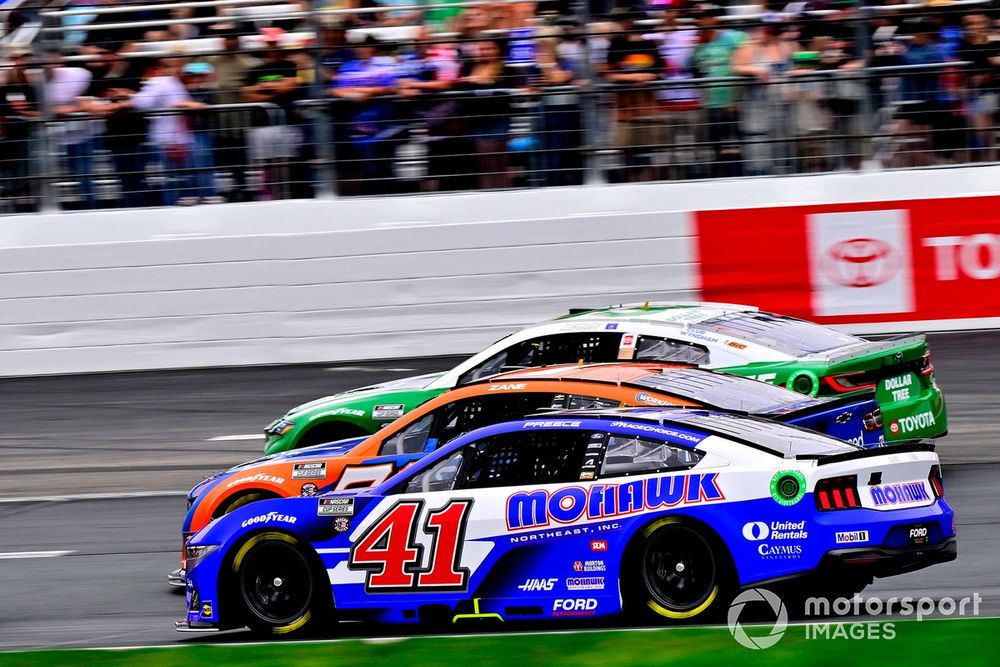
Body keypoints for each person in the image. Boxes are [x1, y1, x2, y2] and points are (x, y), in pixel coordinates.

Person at [131, 58, 209, 205]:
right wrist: (176, 105)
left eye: (180, 65)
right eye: (173, 65)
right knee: (172, 181)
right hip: (165, 140)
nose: (178, 68)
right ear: (163, 67)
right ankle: (171, 210)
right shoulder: (159, 82)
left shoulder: (178, 83)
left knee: (184, 180)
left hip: (182, 140)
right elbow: (141, 103)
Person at [330, 36, 401, 195]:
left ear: (373, 47)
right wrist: (351, 95)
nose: (361, 49)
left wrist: (368, 91)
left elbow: (392, 87)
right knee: (363, 169)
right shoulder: (348, 66)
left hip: (383, 128)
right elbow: (335, 89)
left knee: (382, 169)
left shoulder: (385, 63)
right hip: (356, 129)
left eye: (365, 46)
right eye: (358, 46)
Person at [242, 27, 307, 199]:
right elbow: (248, 95)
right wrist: (276, 87)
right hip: (261, 125)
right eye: (269, 43)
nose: (272, 46)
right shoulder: (254, 69)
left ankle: (286, 196)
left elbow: (291, 85)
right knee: (264, 165)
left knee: (286, 164)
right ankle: (268, 198)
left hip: (286, 123)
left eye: (274, 42)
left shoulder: (290, 65)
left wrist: (263, 88)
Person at [602, 10, 666, 183]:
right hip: (624, 111)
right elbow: (608, 74)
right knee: (627, 153)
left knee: (647, 153)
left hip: (647, 108)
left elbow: (660, 71)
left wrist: (649, 77)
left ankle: (648, 185)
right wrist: (633, 78)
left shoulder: (650, 45)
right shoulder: (616, 45)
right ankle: (630, 185)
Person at [732, 14, 799, 175]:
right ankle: (758, 175)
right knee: (758, 140)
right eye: (767, 28)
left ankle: (783, 173)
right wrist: (755, 70)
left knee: (782, 140)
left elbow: (796, 65)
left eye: (773, 29)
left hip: (783, 102)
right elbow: (736, 66)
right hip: (757, 103)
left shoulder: (787, 46)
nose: (769, 32)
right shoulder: (750, 47)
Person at [688, 4, 746, 177]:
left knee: (734, 148)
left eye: (704, 17)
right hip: (710, 105)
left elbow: (739, 68)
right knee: (715, 149)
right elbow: (693, 70)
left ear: (714, 18)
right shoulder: (698, 45)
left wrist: (736, 100)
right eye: (697, 18)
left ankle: (738, 181)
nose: (699, 21)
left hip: (731, 104)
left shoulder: (732, 38)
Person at [455, 39, 520, 190]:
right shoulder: (468, 67)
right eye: (482, 48)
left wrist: (481, 82)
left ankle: (503, 191)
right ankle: (487, 192)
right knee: (483, 161)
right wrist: (470, 81)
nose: (485, 52)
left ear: (497, 50)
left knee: (496, 160)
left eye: (489, 48)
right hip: (475, 120)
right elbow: (460, 86)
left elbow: (508, 91)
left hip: (497, 119)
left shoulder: (505, 69)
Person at [208, 30, 262, 201]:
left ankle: (242, 188)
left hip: (241, 117)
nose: (228, 42)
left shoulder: (249, 62)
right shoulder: (213, 61)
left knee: (241, 154)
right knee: (225, 154)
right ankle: (230, 189)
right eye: (226, 39)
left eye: (232, 39)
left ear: (238, 41)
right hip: (220, 117)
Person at [43, 52, 98, 209]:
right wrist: (66, 109)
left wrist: (71, 107)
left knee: (84, 176)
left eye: (54, 59)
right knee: (53, 178)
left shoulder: (78, 74)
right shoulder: (37, 83)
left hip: (81, 135)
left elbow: (89, 101)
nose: (50, 63)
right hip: (54, 137)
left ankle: (90, 209)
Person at [0, 48, 40, 212]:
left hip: (23, 135)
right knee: (7, 169)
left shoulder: (30, 87)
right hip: (6, 135)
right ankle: (10, 204)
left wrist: (27, 113)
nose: (20, 63)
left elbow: (38, 110)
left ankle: (19, 204)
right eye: (17, 59)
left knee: (21, 170)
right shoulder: (4, 87)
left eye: (23, 60)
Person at [957, 13, 1000, 160]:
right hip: (979, 93)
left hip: (992, 89)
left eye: (978, 23)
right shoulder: (964, 45)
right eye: (970, 24)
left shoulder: (994, 40)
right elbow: (968, 75)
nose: (974, 27)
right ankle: (989, 160)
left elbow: (995, 62)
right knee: (982, 130)